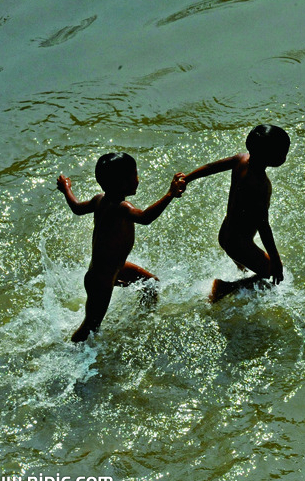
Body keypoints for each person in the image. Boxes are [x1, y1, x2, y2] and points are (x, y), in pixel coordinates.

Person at [57, 153, 186, 342]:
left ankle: (142, 323)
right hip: (101, 279)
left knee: (150, 284)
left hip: (113, 269)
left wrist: (66, 188)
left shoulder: (99, 199)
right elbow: (145, 218)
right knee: (90, 327)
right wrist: (170, 194)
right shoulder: (122, 207)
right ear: (122, 182)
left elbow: (76, 207)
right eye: (134, 174)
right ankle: (70, 354)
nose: (138, 179)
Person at [182, 124, 290, 302]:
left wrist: (188, 178)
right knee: (270, 272)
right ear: (269, 156)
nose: (285, 156)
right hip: (239, 243)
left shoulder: (241, 159)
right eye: (282, 152)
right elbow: (263, 225)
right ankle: (225, 288)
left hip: (225, 234)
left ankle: (239, 281)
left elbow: (211, 167)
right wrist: (276, 260)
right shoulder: (260, 185)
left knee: (249, 268)